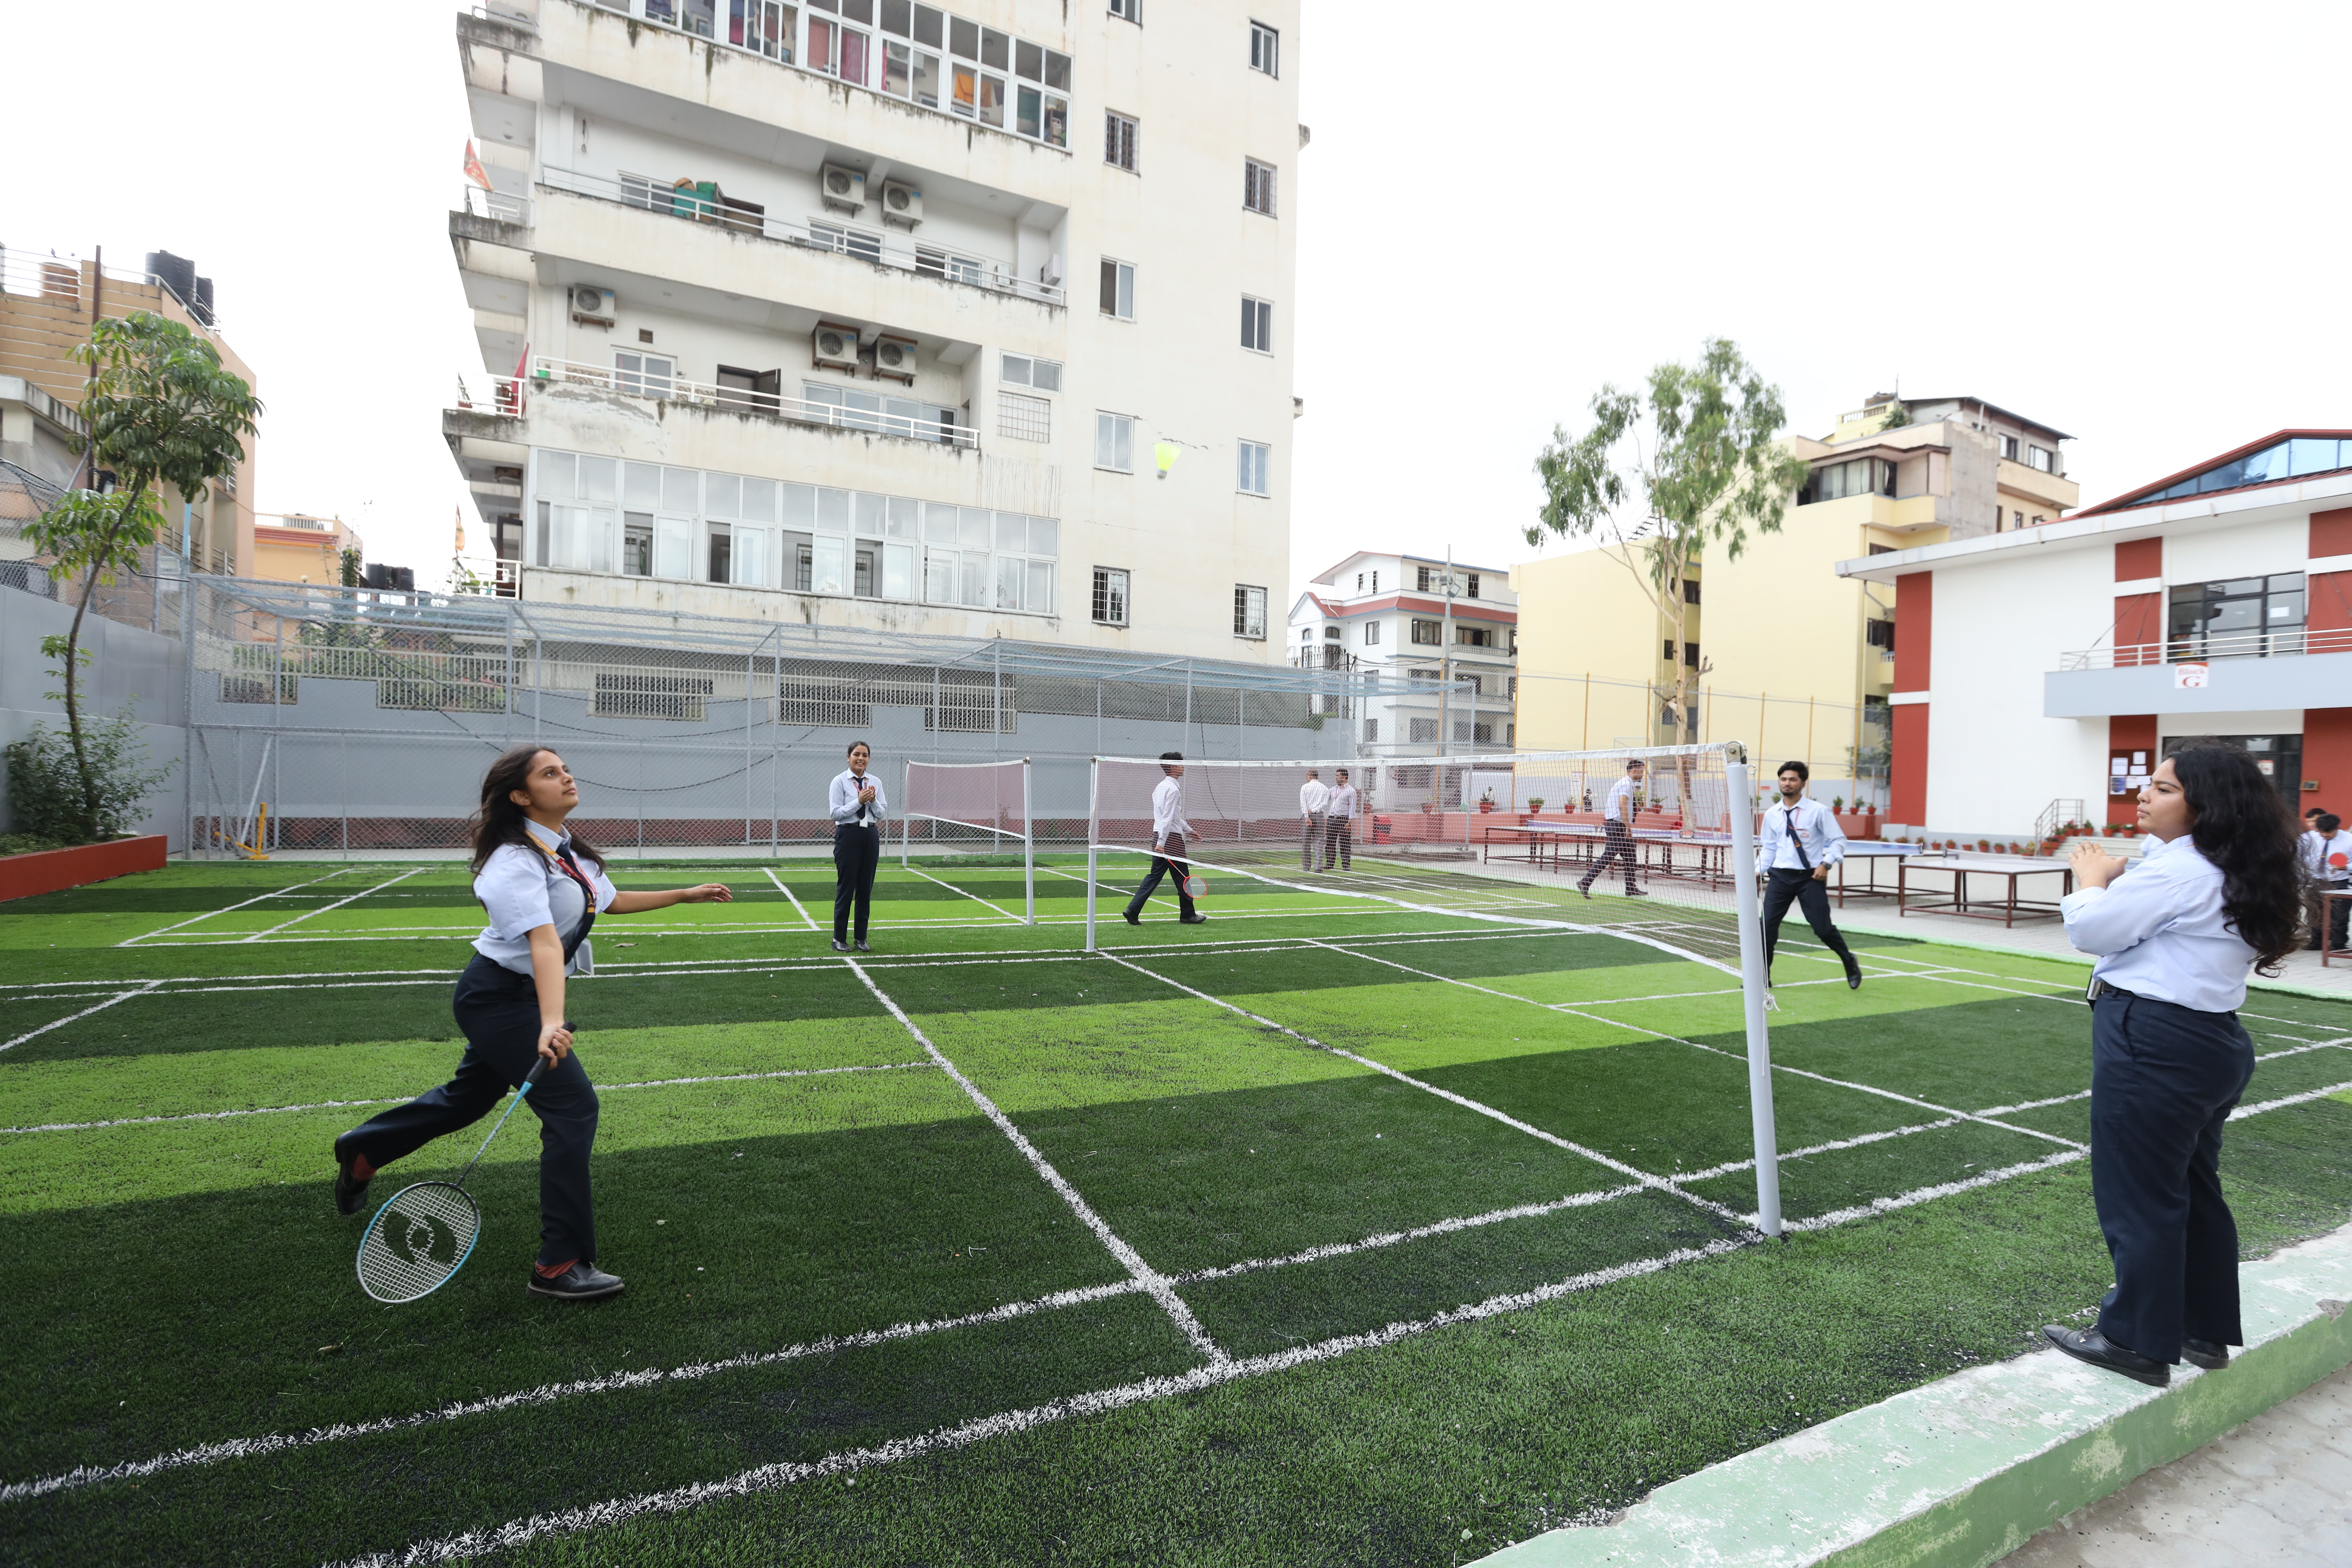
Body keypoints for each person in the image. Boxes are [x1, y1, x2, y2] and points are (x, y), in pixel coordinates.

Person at [332, 746, 732, 1301]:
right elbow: (544, 944)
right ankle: (558, 1264)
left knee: (468, 1099)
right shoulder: (512, 864)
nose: (566, 776)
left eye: (565, 769)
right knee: (574, 1106)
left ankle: (364, 1151)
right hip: (497, 999)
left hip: (522, 999)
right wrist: (551, 1022)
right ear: (520, 796)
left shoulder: (566, 851)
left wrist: (686, 894)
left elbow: (608, 902)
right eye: (550, 773)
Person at [2042, 740, 2303, 1387]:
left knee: (2140, 1197)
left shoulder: (2183, 871)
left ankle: (2134, 1341)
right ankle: (2201, 1330)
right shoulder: (2229, 864)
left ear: (2204, 805)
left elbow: (2094, 933)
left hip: (2153, 1039)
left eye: (2162, 789)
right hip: (2209, 1041)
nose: (2144, 795)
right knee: (2192, 1190)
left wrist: (2091, 884)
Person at [1757, 761, 1863, 990]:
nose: (1787, 783)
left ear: (1803, 784)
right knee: (1765, 929)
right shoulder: (1772, 814)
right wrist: (1757, 872)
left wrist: (1826, 864)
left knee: (1822, 929)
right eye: (1784, 779)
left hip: (1810, 879)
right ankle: (1762, 978)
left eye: (1793, 779)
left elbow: (1838, 841)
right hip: (1780, 878)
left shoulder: (1818, 811)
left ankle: (1849, 960)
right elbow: (1769, 848)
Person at [1124, 751, 1206, 925]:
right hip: (1171, 840)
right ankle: (1188, 915)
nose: (1183, 766)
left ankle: (1133, 910)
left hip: (1160, 836)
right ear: (1172, 767)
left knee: (1155, 876)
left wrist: (1190, 831)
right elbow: (1167, 818)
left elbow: (1172, 817)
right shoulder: (1173, 788)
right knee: (1184, 878)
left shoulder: (1160, 787)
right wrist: (1162, 843)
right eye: (1179, 764)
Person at [830, 740, 887, 953]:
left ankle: (861, 938)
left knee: (865, 889)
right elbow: (836, 813)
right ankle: (839, 939)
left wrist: (872, 802)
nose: (861, 759)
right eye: (856, 754)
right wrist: (859, 801)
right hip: (849, 835)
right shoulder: (839, 782)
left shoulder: (876, 782)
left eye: (865, 755)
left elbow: (881, 814)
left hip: (870, 835)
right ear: (848, 757)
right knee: (847, 888)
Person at [1577, 757, 1649, 899]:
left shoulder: (1627, 783)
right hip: (1617, 825)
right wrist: (1628, 827)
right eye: (1642, 770)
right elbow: (1623, 805)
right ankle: (1585, 882)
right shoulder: (1626, 784)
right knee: (1609, 855)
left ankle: (1631, 888)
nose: (1643, 773)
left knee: (1630, 857)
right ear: (1635, 769)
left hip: (1618, 824)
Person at [2306, 811, 2351, 952]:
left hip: (2339, 882)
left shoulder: (2349, 840)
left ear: (2337, 828)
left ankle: (2338, 944)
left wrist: (2346, 867)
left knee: (2340, 915)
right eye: (2321, 832)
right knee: (2315, 912)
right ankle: (2316, 942)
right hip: (2316, 880)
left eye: (2329, 833)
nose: (2325, 835)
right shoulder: (2309, 838)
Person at [1324, 766, 1359, 871]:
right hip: (1332, 819)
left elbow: (1353, 807)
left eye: (1338, 776)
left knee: (1345, 842)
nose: (1336, 778)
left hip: (1343, 820)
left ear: (1344, 777)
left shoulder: (1351, 791)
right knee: (1330, 842)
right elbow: (1324, 799)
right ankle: (1330, 863)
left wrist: (1350, 822)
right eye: (1336, 776)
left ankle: (1346, 865)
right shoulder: (1333, 790)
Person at [1298, 768, 1329, 871]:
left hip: (1307, 816)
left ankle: (1306, 867)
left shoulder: (1305, 787)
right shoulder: (1325, 788)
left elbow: (1303, 804)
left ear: (1310, 777)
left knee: (1306, 842)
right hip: (1319, 816)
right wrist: (1314, 810)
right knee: (1319, 841)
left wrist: (1307, 816)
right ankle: (1318, 867)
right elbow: (1325, 803)